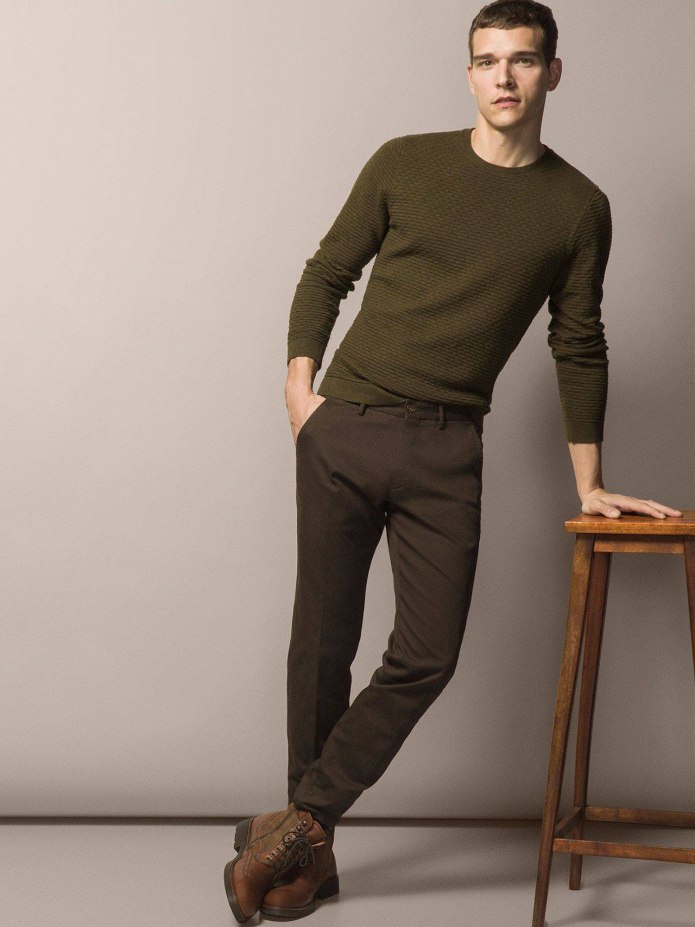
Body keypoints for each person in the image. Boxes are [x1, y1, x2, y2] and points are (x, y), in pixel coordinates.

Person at [224, 1, 682, 921]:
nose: (502, 77)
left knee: (426, 652)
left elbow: (578, 341)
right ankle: (311, 856)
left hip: (446, 444)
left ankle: (298, 822)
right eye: (485, 60)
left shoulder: (576, 207)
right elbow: (327, 272)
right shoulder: (404, 162)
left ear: (552, 72)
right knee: (322, 640)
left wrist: (589, 481)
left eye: (522, 60)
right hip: (345, 424)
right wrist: (300, 394)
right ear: (468, 72)